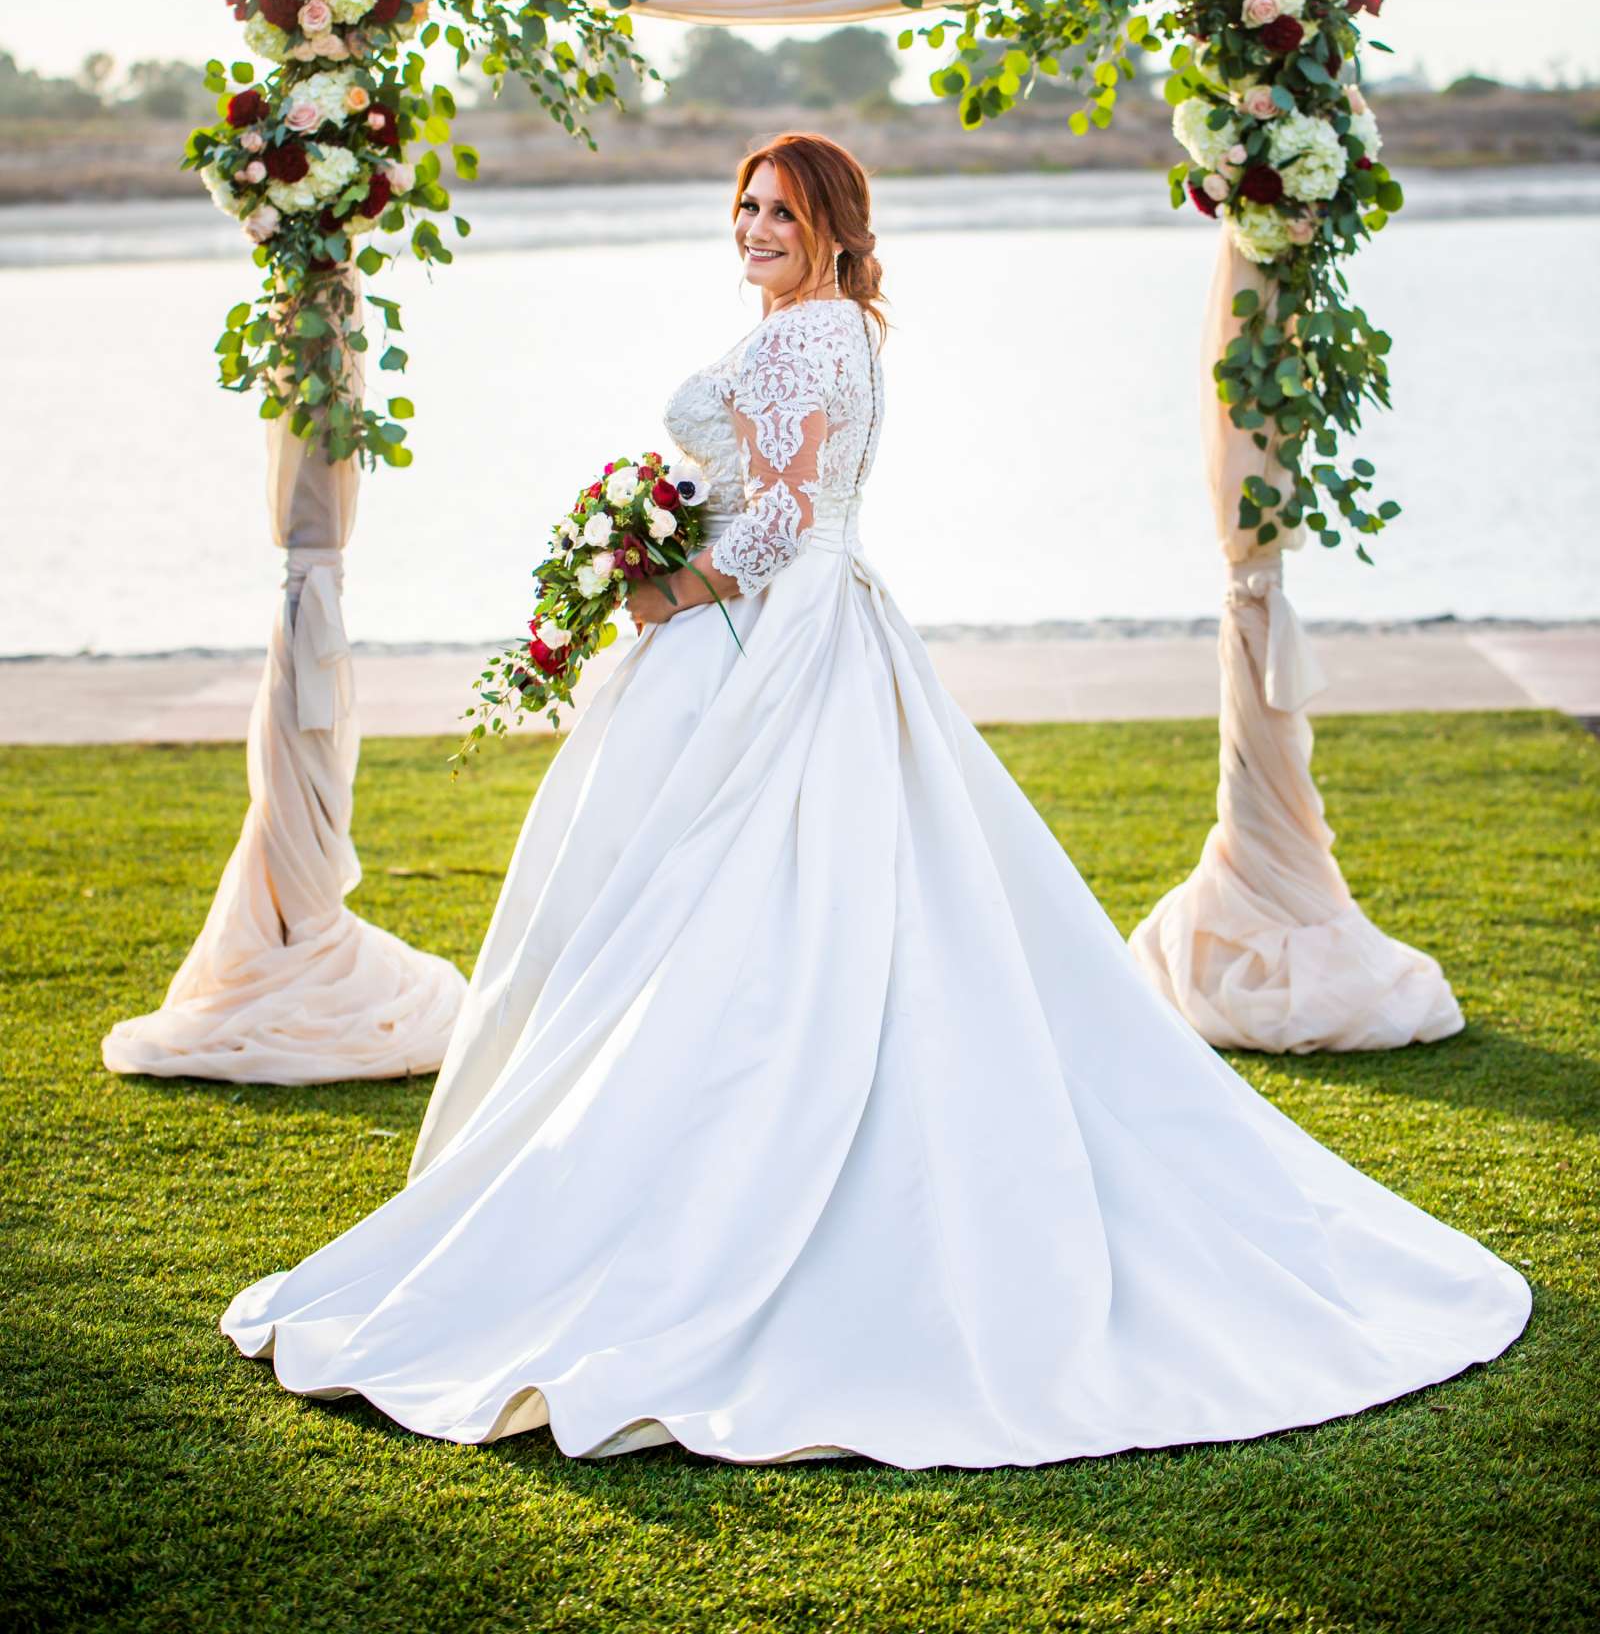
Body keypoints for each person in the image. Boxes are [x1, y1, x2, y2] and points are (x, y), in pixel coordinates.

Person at [222, 131, 1529, 1467]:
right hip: (809, 631)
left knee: (725, 908)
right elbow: (783, 502)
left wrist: (662, 584)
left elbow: (782, 527)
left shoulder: (810, 336)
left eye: (778, 210)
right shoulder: (830, 327)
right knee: (760, 908)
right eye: (742, 206)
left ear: (834, 221)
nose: (754, 228)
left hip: (772, 639)